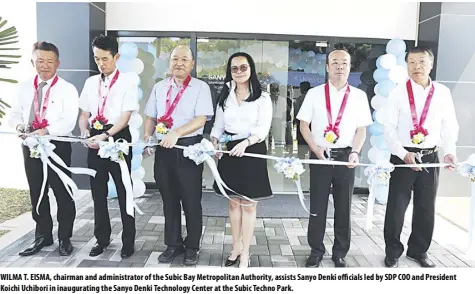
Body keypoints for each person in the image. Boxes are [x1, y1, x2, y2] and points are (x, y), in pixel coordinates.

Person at [382, 46, 459, 268]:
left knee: (426, 207)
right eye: (412, 62)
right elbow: (389, 128)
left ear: (431, 64)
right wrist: (403, 154)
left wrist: (450, 151)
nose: (417, 67)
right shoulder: (397, 93)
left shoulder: (442, 92)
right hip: (403, 156)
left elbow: (449, 124)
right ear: (406, 66)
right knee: (397, 206)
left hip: (431, 155)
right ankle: (393, 251)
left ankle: (418, 250)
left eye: (422, 62)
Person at [297, 49, 372, 267]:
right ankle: (316, 250)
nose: (340, 67)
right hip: (320, 156)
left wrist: (356, 152)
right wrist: (315, 148)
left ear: (350, 67)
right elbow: (304, 125)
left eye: (344, 63)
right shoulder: (314, 94)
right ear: (327, 67)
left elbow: (361, 130)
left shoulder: (359, 96)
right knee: (317, 205)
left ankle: (340, 252)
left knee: (344, 207)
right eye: (335, 63)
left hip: (346, 157)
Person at [143, 45, 214, 266]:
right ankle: (173, 244)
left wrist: (177, 133)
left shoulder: (201, 87)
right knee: (169, 200)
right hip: (164, 148)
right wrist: (147, 136)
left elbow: (201, 119)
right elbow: (150, 116)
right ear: (169, 62)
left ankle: (192, 246)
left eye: (184, 59)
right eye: (175, 59)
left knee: (191, 200)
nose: (179, 63)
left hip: (188, 149)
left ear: (192, 63)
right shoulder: (159, 87)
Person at [9, 41, 79, 256]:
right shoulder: (23, 87)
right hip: (30, 145)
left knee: (62, 193)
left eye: (50, 61)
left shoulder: (67, 89)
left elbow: (69, 122)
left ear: (58, 63)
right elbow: (13, 115)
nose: (45, 66)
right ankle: (42, 236)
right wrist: (19, 126)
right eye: (40, 61)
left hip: (57, 145)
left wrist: (46, 131)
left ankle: (65, 238)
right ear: (33, 62)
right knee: (37, 192)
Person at [210, 52, 273, 268]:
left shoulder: (262, 97)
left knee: (248, 204)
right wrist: (215, 141)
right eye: (234, 68)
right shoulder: (224, 96)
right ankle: (235, 246)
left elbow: (263, 128)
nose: (238, 72)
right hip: (229, 151)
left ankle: (246, 252)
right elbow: (218, 125)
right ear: (230, 71)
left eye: (243, 67)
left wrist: (245, 143)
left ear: (251, 69)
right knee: (233, 203)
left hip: (252, 149)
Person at [78, 35, 139, 258]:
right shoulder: (90, 82)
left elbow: (125, 116)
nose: (101, 64)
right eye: (97, 59)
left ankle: (128, 241)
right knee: (98, 191)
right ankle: (101, 239)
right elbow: (84, 114)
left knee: (124, 190)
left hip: (117, 137)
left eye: (105, 59)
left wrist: (106, 134)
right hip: (95, 136)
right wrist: (85, 131)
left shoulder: (128, 81)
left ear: (116, 57)